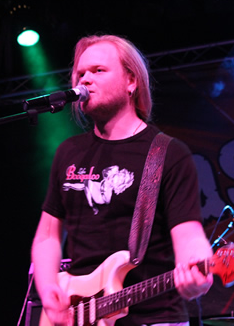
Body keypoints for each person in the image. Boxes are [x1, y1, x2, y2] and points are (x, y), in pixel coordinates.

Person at [31, 34, 214, 326]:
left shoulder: (168, 153)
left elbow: (189, 235)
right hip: (79, 313)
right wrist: (49, 287)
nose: (84, 80)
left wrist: (198, 274)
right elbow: (47, 236)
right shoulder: (69, 152)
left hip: (153, 317)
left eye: (98, 71)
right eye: (80, 73)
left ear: (132, 81)